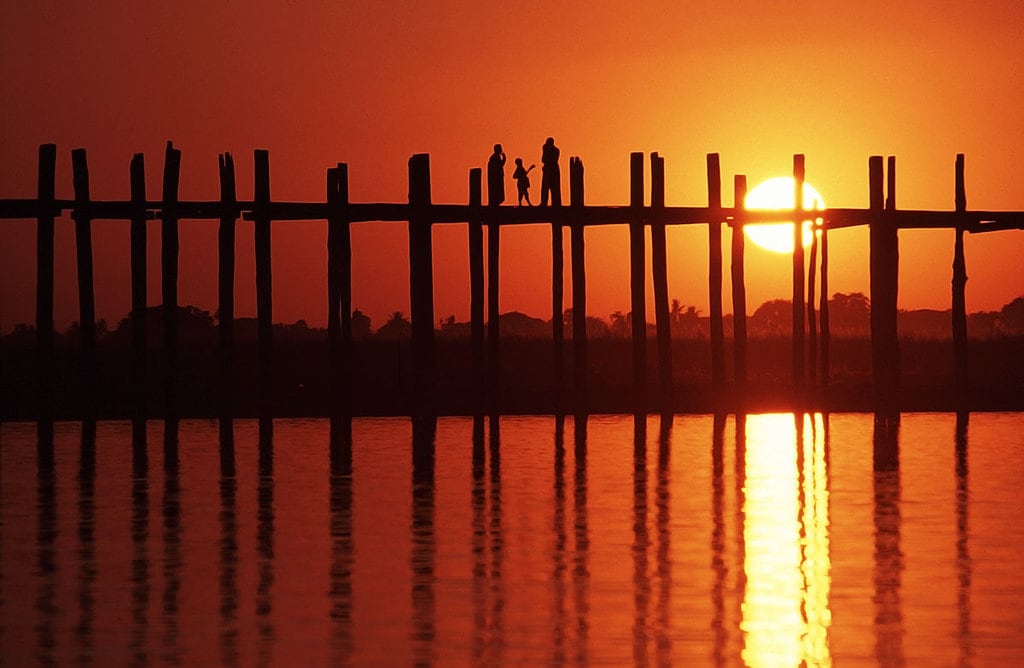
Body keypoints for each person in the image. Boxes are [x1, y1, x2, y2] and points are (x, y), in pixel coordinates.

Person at [540, 137, 561, 207]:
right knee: (550, 188)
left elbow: (543, 159)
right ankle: (551, 203)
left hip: (550, 170)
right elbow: (543, 159)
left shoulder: (554, 150)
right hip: (552, 169)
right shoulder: (556, 150)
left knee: (549, 187)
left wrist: (545, 150)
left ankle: (547, 203)